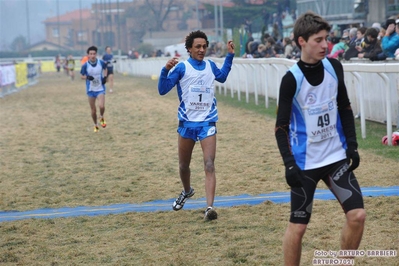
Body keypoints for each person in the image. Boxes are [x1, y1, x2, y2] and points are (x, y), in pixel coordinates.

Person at [274, 11, 366, 265]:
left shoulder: (334, 67)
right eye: (318, 40)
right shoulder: (291, 79)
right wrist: (289, 164)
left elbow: (345, 107)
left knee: (357, 216)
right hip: (304, 164)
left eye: (327, 38)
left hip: (335, 157)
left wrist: (352, 146)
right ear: (301, 41)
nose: (326, 45)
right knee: (299, 227)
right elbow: (280, 127)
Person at [157, 30, 235, 220]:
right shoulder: (182, 68)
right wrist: (165, 70)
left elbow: (223, 76)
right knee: (184, 166)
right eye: (197, 47)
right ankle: (187, 191)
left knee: (209, 164)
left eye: (204, 46)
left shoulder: (210, 65)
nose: (201, 50)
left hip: (207, 122)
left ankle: (209, 208)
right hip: (186, 124)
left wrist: (230, 55)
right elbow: (162, 89)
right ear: (189, 49)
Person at [80, 46, 108, 133]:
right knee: (93, 110)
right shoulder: (85, 65)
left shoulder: (101, 62)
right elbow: (81, 76)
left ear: (96, 54)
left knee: (101, 106)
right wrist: (87, 77)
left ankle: (101, 116)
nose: (92, 55)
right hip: (91, 90)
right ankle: (95, 125)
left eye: (94, 54)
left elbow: (105, 68)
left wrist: (105, 77)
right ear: (88, 55)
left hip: (100, 88)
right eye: (91, 54)